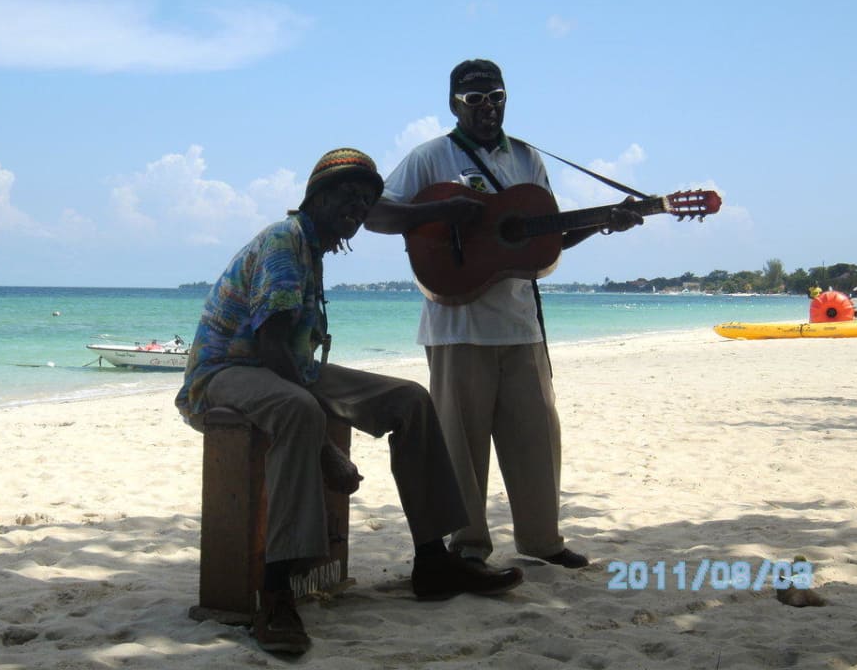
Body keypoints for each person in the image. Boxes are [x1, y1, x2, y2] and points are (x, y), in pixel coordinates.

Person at [175, 148, 523, 656]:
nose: (357, 209)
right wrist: (326, 452)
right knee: (298, 409)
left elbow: (290, 354)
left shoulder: (313, 249)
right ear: (316, 196)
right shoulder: (283, 242)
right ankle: (275, 591)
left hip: (280, 366)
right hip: (225, 371)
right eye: (347, 195)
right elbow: (271, 347)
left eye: (366, 201)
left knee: (409, 399)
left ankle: (432, 559)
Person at [365, 60, 643, 571]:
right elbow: (375, 213)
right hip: (458, 327)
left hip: (520, 326)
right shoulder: (430, 158)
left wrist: (607, 221)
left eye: (496, 95)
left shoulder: (528, 159)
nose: (488, 106)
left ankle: (541, 540)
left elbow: (545, 236)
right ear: (454, 104)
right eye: (475, 99)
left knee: (537, 437)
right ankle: (468, 546)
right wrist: (439, 213)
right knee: (460, 447)